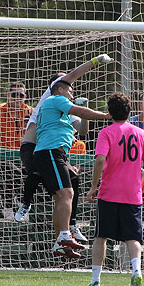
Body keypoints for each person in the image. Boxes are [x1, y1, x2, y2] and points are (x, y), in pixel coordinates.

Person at [16, 54, 113, 242]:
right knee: (39, 175)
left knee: (70, 183)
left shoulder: (63, 108)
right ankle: (26, 205)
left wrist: (86, 111)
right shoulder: (52, 98)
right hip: (33, 148)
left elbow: (83, 130)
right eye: (68, 86)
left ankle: (69, 228)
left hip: (52, 151)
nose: (72, 90)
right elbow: (74, 75)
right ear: (58, 86)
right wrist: (95, 61)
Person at [84, 93, 144, 286]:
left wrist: (93, 186)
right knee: (133, 237)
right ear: (129, 111)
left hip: (109, 192)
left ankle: (96, 281)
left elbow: (99, 160)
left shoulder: (106, 132)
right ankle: (136, 272)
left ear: (110, 112)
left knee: (101, 236)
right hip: (132, 194)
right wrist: (140, 186)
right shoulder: (141, 134)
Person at [0, 82, 33, 220]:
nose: (17, 98)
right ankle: (11, 205)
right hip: (1, 156)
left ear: (25, 96)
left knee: (22, 174)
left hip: (24, 156)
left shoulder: (31, 111)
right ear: (8, 96)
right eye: (14, 95)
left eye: (21, 95)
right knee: (12, 172)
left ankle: (14, 204)